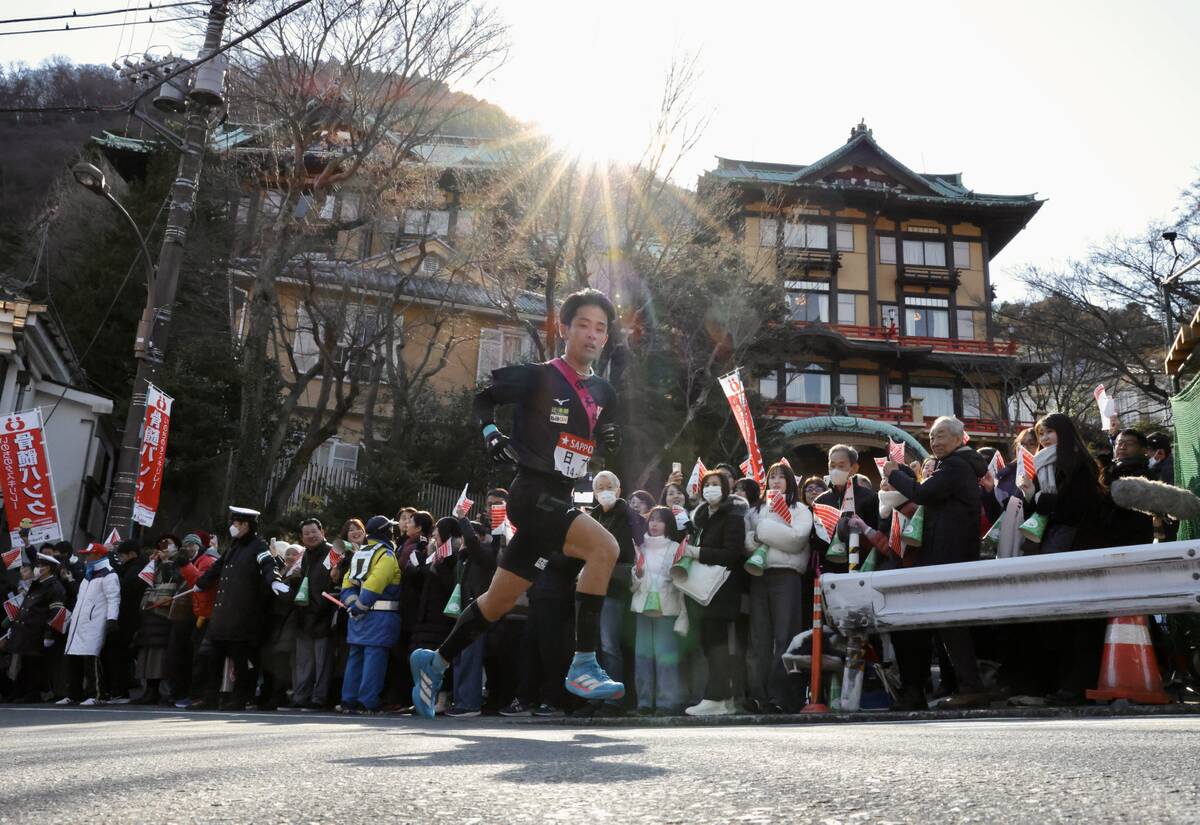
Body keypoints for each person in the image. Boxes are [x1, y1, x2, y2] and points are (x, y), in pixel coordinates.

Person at [410, 288, 623, 719]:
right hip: (530, 495)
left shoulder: (603, 391)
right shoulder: (537, 376)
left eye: (600, 328)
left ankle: (434, 661)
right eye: (583, 324)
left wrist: (607, 438)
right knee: (605, 548)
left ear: (605, 338)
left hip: (560, 499)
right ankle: (584, 664)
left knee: (498, 601)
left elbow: (595, 434)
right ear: (564, 329)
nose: (591, 334)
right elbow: (482, 398)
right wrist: (490, 433)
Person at [883, 415, 990, 710]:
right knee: (948, 623)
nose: (935, 441)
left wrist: (894, 475)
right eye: (932, 437)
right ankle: (964, 686)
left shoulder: (956, 465)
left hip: (949, 554)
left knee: (951, 622)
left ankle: (971, 687)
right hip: (949, 553)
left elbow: (923, 493)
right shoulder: (956, 465)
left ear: (958, 438)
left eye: (941, 435)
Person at [1016, 413, 1109, 704]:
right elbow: (1040, 510)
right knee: (1054, 618)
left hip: (1077, 545)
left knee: (1075, 619)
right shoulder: (1041, 465)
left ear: (1064, 433)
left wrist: (1041, 500)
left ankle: (1076, 684)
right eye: (1041, 434)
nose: (1044, 439)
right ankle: (1057, 683)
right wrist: (1031, 496)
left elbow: (1076, 508)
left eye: (1049, 432)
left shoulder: (1079, 464)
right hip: (1051, 542)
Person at [745, 462, 813, 713]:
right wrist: (767, 535)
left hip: (787, 575)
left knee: (785, 636)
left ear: (790, 482)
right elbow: (747, 542)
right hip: (759, 575)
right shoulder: (756, 510)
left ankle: (781, 696)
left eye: (781, 477)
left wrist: (763, 531)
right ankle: (758, 695)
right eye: (772, 477)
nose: (775, 481)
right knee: (759, 638)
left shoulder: (800, 509)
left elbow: (797, 539)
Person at [195, 506, 276, 710]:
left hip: (242, 614)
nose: (232, 527)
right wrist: (202, 582)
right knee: (214, 658)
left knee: (241, 660)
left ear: (246, 525)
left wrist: (274, 580)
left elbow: (268, 564)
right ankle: (210, 697)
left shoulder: (258, 546)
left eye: (236, 524)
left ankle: (239, 698)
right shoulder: (235, 545)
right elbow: (218, 566)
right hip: (223, 613)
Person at [680, 471, 746, 716]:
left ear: (726, 488)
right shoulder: (700, 518)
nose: (710, 488)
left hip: (722, 588)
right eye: (707, 484)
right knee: (708, 642)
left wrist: (698, 553)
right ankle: (723, 698)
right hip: (702, 589)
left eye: (716, 484)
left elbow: (731, 553)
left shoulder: (733, 516)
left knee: (717, 643)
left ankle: (716, 697)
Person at [589, 469, 644, 714]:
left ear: (618, 490)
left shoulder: (630, 516)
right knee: (594, 647)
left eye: (608, 487)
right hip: (592, 587)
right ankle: (597, 697)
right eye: (599, 489)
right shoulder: (592, 517)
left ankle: (615, 699)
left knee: (610, 646)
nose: (604, 492)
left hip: (616, 589)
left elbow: (628, 551)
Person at [339, 516, 403, 714]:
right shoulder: (386, 555)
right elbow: (377, 581)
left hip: (357, 617)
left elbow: (347, 584)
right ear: (387, 532)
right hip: (381, 616)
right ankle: (367, 701)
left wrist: (353, 605)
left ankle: (348, 700)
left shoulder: (360, 553)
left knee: (355, 657)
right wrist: (362, 605)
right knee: (374, 659)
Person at [630, 506, 686, 716]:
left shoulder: (676, 548)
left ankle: (666, 702)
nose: (654, 524)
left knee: (665, 657)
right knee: (642, 656)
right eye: (652, 519)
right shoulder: (640, 547)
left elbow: (681, 579)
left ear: (668, 524)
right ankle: (644, 702)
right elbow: (633, 586)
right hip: (642, 607)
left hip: (667, 608)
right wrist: (637, 574)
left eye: (660, 520)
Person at [445, 508, 498, 718]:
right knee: (459, 658)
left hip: (477, 613)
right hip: (462, 613)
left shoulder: (485, 554)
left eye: (469, 537)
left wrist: (463, 519)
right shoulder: (464, 559)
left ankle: (469, 703)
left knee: (470, 658)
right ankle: (460, 700)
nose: (464, 541)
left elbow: (474, 545)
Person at [59, 542, 120, 706]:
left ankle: (97, 694)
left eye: (88, 554)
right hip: (79, 623)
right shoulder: (89, 575)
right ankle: (73, 694)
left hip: (94, 623)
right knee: (73, 659)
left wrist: (112, 619)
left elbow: (113, 598)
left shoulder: (109, 574)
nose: (86, 557)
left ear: (98, 555)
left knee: (90, 659)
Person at [288, 517, 338, 711]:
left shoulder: (333, 552)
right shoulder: (304, 556)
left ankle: (319, 698)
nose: (311, 536)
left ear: (322, 532)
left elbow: (336, 579)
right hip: (304, 614)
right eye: (306, 533)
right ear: (301, 538)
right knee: (304, 661)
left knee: (322, 661)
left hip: (324, 613)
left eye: (314, 532)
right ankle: (301, 696)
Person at [8, 553, 68, 702]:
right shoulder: (37, 584)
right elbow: (25, 607)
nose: (36, 568)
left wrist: (49, 635)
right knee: (27, 663)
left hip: (38, 633)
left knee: (35, 666)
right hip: (26, 632)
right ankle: (21, 693)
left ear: (46, 568)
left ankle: (33, 693)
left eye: (39, 566)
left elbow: (55, 613)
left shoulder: (54, 587)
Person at [811, 445, 879, 574]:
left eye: (841, 466)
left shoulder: (869, 497)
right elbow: (815, 541)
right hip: (830, 570)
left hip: (863, 568)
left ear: (854, 468)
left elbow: (876, 533)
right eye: (832, 466)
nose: (835, 470)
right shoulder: (821, 501)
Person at [175, 533, 218, 709]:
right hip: (201, 615)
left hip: (209, 616)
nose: (188, 548)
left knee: (203, 657)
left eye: (191, 545)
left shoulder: (207, 561)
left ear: (198, 546)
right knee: (198, 656)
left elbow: (202, 583)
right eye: (185, 545)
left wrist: (185, 566)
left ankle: (199, 696)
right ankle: (197, 695)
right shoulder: (199, 560)